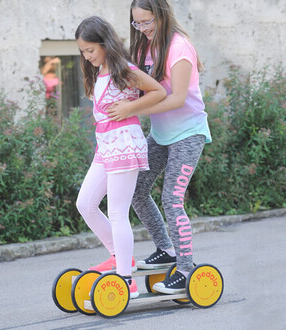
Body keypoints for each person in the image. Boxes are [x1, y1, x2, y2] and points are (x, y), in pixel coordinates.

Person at [107, 0, 212, 295]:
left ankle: (186, 267)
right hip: (162, 134)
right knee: (137, 189)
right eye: (136, 23)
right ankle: (166, 249)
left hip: (188, 134)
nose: (142, 29)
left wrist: (132, 110)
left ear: (162, 16)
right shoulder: (143, 47)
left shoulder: (180, 47)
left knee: (172, 199)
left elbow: (177, 98)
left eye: (147, 22)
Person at [75, 16, 166, 298]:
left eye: (90, 49)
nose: (87, 56)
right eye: (83, 51)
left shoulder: (122, 69)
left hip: (125, 143)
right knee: (85, 203)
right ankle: (118, 258)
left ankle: (126, 279)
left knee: (117, 212)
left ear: (105, 43)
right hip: (106, 145)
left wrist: (131, 108)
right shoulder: (99, 71)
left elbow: (158, 91)